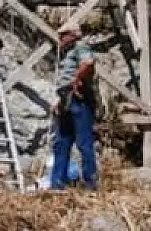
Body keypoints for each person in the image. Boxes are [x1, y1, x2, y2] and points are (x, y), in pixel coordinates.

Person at [49, 20, 98, 191]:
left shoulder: (80, 47)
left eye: (63, 35)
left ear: (72, 35)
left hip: (78, 99)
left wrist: (77, 78)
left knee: (84, 143)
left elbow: (88, 63)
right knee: (61, 142)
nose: (60, 39)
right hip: (66, 100)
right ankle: (57, 183)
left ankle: (90, 183)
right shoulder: (66, 53)